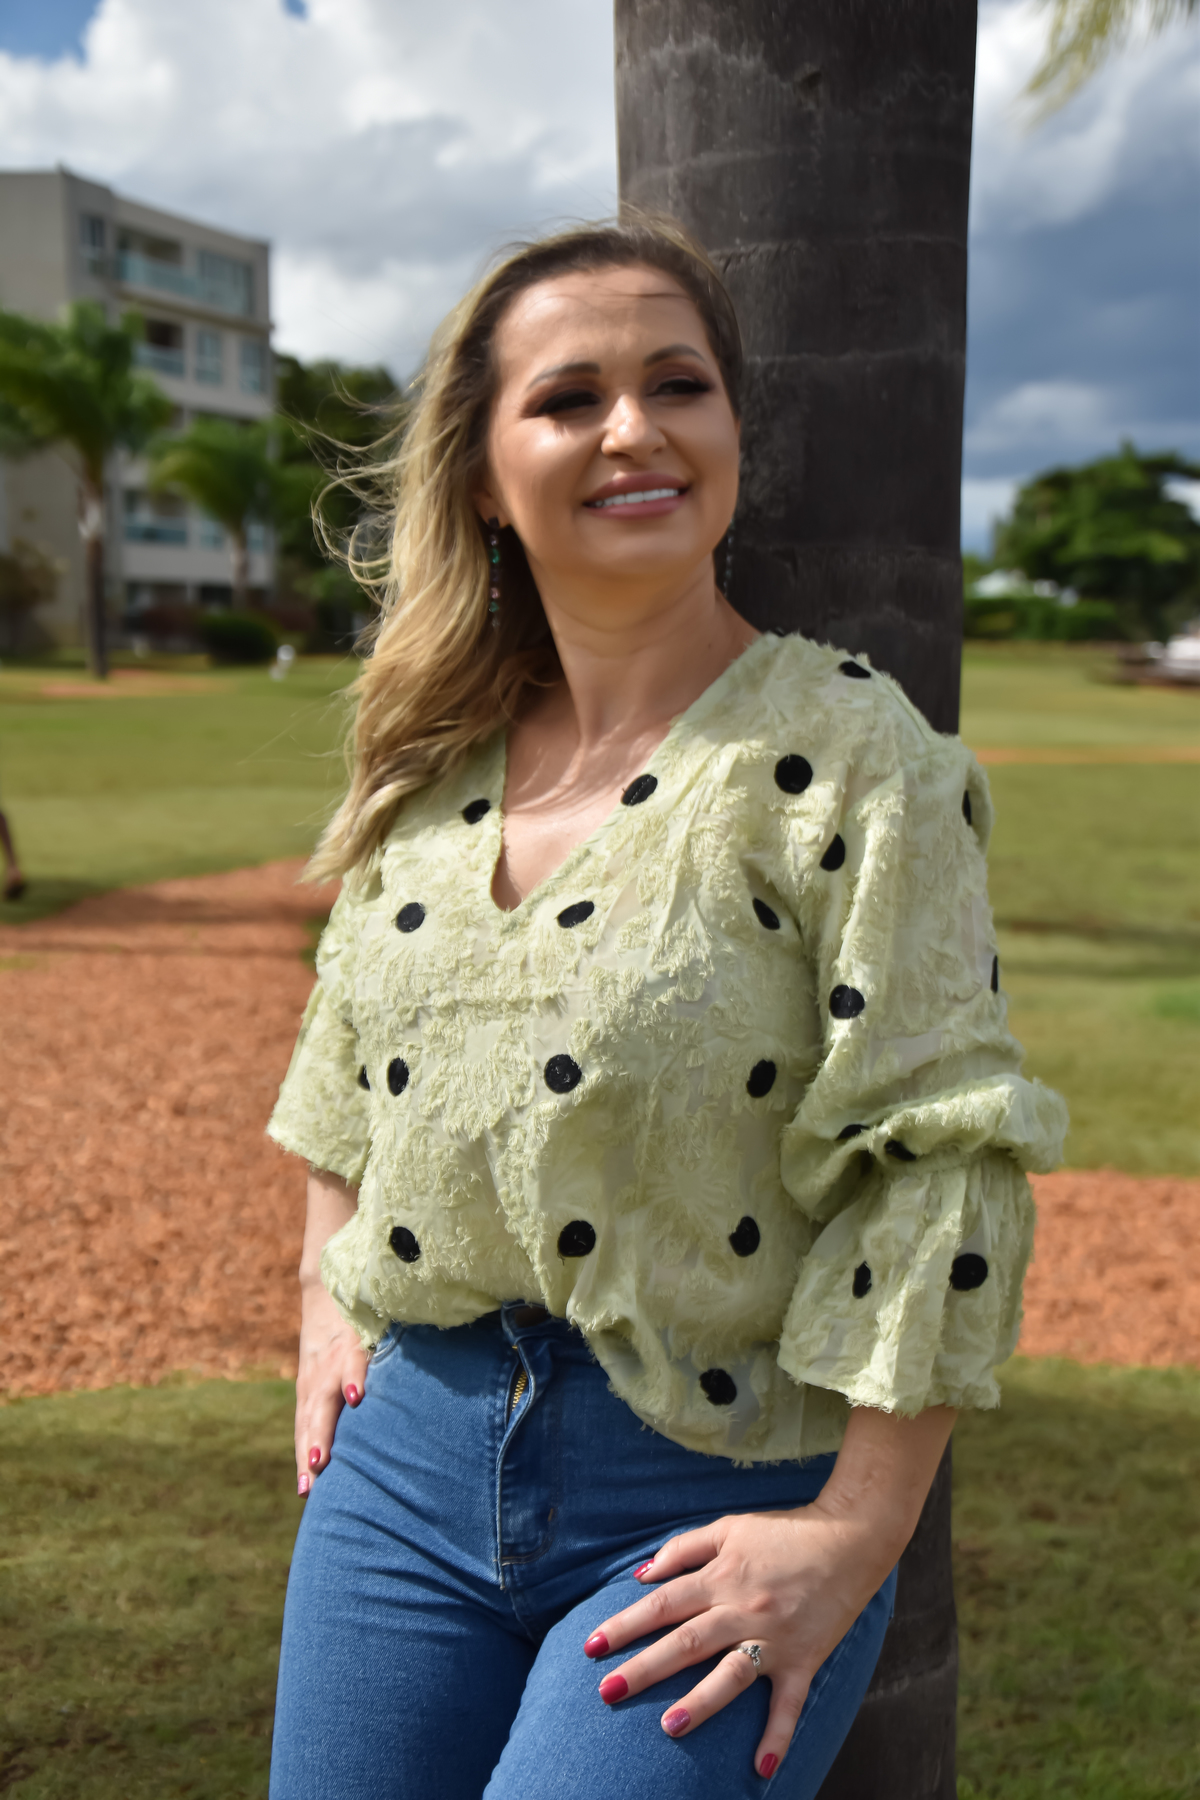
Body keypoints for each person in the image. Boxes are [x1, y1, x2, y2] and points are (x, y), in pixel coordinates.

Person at [266, 216, 1066, 1800]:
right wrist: (320, 1296)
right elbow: (344, 1071)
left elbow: (941, 1160)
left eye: (678, 385)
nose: (632, 428)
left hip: (710, 1503)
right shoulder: (426, 775)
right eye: (570, 398)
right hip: (400, 1481)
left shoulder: (855, 760)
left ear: (732, 433)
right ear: (483, 474)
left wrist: (855, 1530)